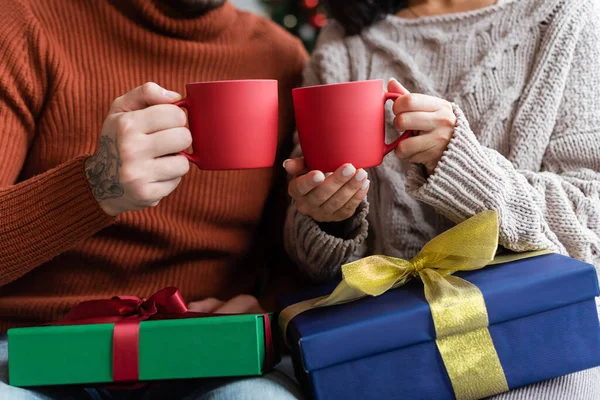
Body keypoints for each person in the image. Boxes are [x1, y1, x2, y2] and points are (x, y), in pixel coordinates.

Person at [283, 0, 600, 398]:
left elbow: (588, 234)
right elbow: (312, 264)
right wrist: (329, 221)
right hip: (392, 346)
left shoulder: (567, 18)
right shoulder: (343, 42)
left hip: (538, 342)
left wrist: (461, 165)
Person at [0, 0, 307, 398]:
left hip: (206, 354)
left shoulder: (282, 56)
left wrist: (266, 310)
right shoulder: (24, 23)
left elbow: (293, 252)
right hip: (31, 350)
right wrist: (95, 185)